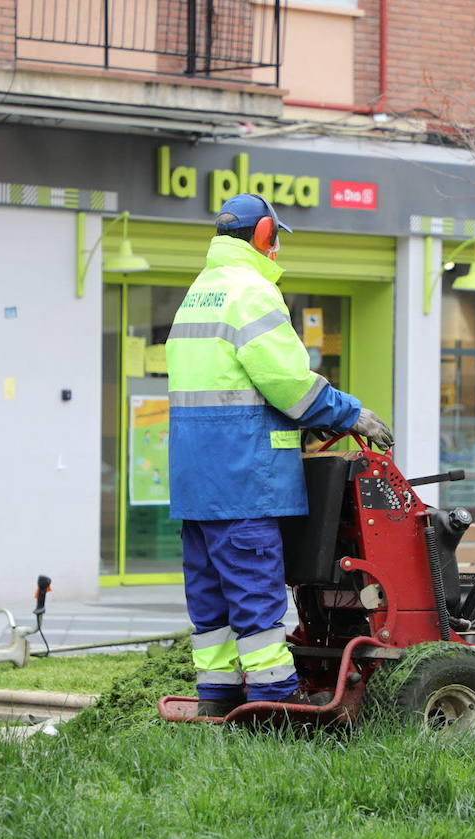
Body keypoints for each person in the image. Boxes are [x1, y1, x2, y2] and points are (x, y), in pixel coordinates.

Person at [165, 193, 394, 717]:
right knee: (255, 594)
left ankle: (217, 697)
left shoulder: (198, 293)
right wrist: (349, 414)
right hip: (244, 478)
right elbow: (290, 385)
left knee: (211, 600)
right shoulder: (252, 293)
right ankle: (275, 700)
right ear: (265, 234)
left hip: (197, 481)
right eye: (276, 239)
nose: (277, 250)